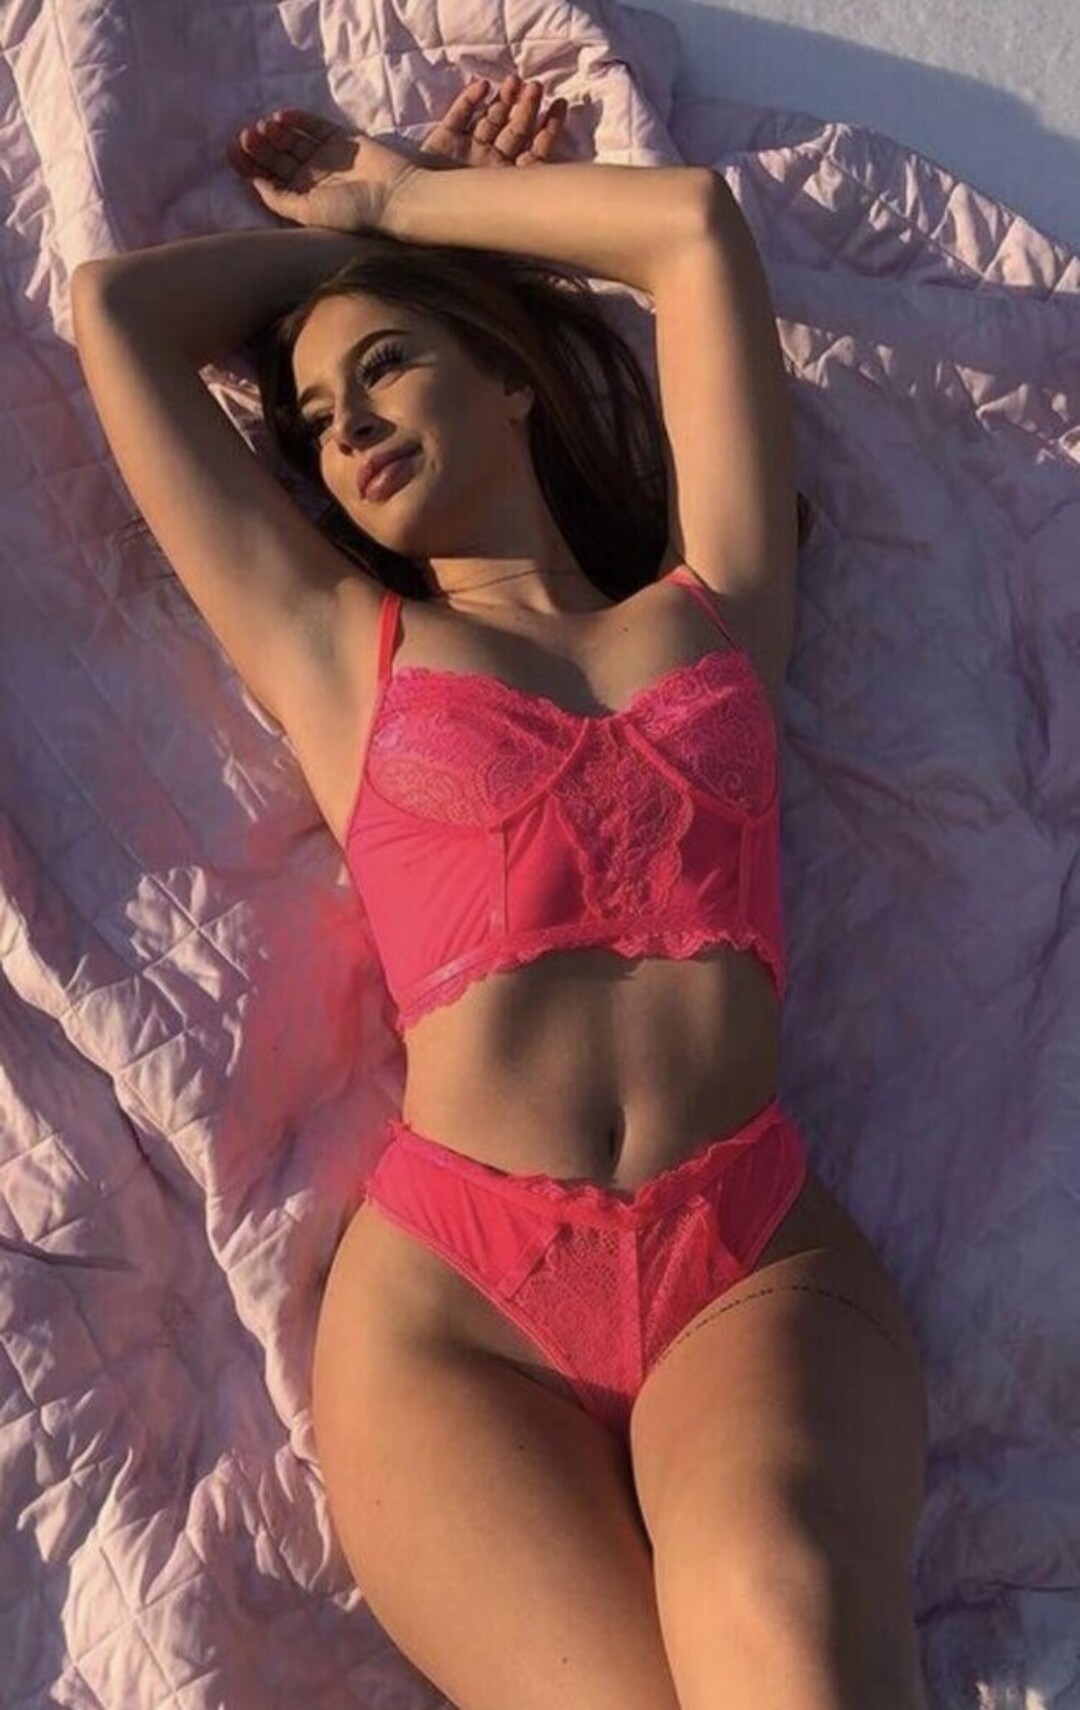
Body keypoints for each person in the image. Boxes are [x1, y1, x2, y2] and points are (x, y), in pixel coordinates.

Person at [72, 72, 930, 1710]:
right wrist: (354, 266)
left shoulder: (723, 599)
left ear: (513, 381)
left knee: (787, 1616)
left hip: (742, 1253)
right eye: (316, 420)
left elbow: (691, 233)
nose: (348, 427)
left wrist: (403, 204)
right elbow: (117, 315)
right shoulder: (347, 655)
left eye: (387, 364)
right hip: (456, 1312)